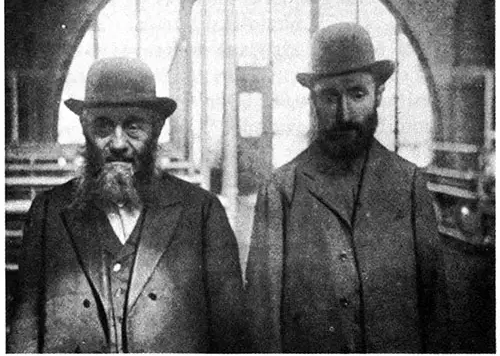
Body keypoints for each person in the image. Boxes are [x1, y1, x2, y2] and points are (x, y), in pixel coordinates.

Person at [8, 57, 244, 353]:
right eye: (103, 126)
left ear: (157, 128)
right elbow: (24, 337)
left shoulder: (202, 214)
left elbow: (232, 339)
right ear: (84, 127)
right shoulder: (48, 214)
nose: (118, 143)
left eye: (133, 127)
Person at [245, 23, 449, 353]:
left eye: (357, 94)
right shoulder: (280, 190)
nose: (344, 113)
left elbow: (435, 313)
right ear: (313, 99)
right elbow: (262, 323)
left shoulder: (409, 184)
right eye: (330, 96)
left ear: (378, 94)